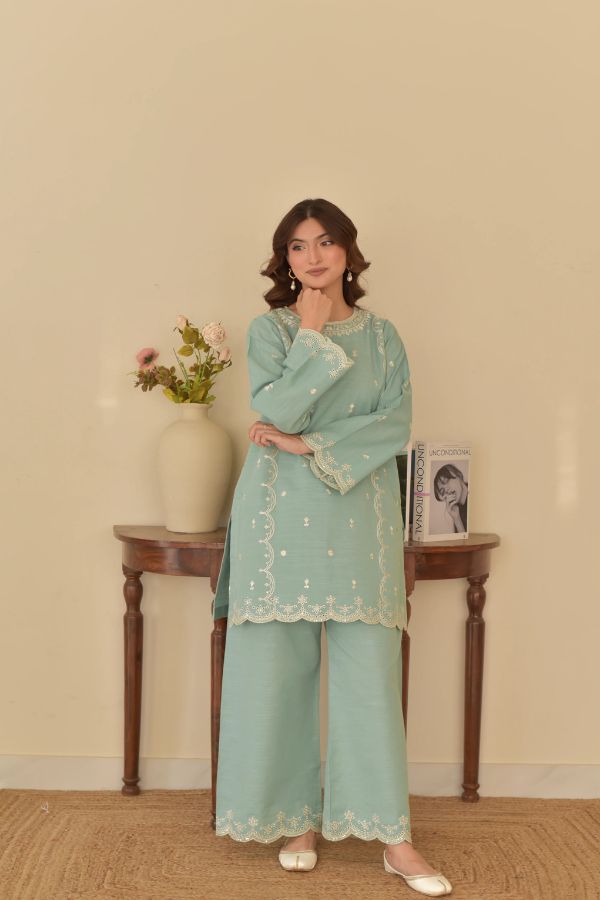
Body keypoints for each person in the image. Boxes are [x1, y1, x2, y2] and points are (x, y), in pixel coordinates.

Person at [212, 198, 453, 896]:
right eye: (295, 247)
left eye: (324, 242)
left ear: (349, 251)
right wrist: (312, 338)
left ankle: (394, 837)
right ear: (283, 261)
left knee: (368, 678)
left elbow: (393, 426)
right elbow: (274, 409)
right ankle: (296, 819)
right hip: (277, 520)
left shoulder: (385, 337)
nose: (312, 257)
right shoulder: (272, 330)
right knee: (278, 674)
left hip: (358, 515)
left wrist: (306, 443)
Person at [433, 464, 469, 533]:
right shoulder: (457, 513)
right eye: (442, 491)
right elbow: (464, 542)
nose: (446, 490)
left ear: (458, 474)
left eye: (446, 481)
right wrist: (457, 519)